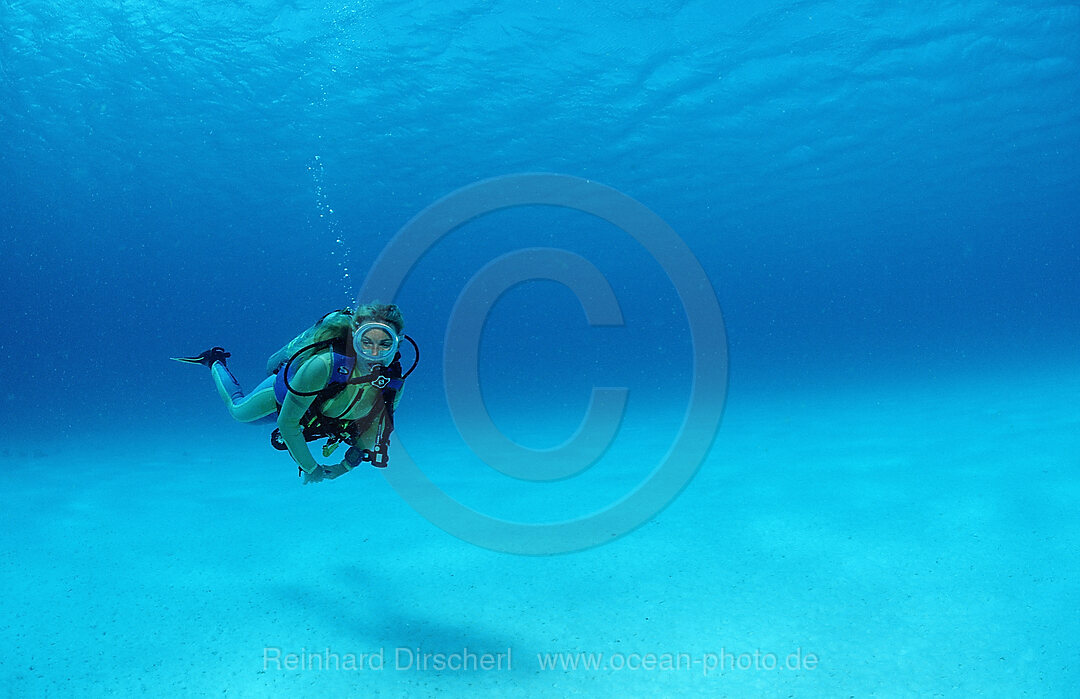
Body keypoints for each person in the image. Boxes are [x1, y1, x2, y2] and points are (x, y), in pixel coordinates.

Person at [174, 303, 412, 484]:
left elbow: (372, 431)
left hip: (318, 417)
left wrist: (344, 466)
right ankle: (213, 360)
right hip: (282, 398)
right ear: (354, 340)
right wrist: (311, 468)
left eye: (385, 344)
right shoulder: (324, 365)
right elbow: (287, 422)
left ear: (397, 344)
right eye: (366, 342)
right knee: (239, 412)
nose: (374, 353)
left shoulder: (391, 387)